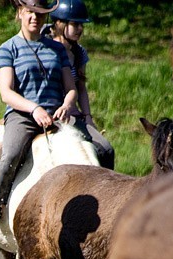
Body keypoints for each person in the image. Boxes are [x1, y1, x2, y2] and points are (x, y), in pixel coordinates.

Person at [0, 0, 76, 228]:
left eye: (39, 14)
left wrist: (66, 105)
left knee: (101, 149)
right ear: (20, 13)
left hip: (57, 116)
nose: (35, 18)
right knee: (10, 157)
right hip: (23, 115)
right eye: (30, 12)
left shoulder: (58, 49)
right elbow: (6, 93)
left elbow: (71, 89)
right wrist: (34, 108)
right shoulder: (8, 48)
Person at [46, 0, 114, 169]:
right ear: (60, 23)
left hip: (72, 114)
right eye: (75, 24)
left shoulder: (79, 52)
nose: (80, 29)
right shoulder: (45, 48)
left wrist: (88, 117)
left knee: (106, 149)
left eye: (82, 25)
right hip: (47, 111)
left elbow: (81, 87)